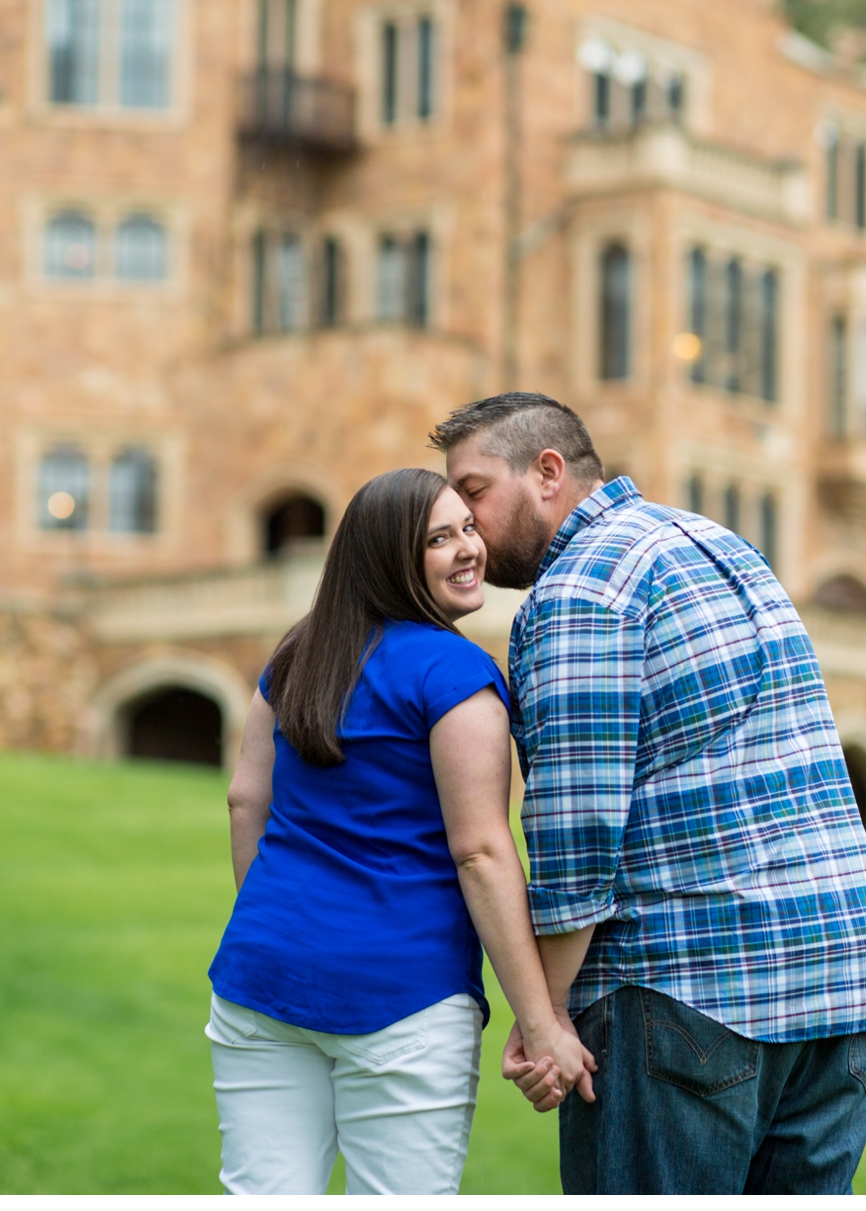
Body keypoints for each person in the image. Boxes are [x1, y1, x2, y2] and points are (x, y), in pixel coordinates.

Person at [431, 393, 866, 1195]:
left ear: (548, 472)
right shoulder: (715, 541)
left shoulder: (582, 590)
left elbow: (577, 836)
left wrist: (542, 1015)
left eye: (475, 491)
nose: (465, 519)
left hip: (683, 995)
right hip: (839, 989)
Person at [206, 467, 593, 1195]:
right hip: (402, 998)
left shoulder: (294, 657)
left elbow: (243, 800)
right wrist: (540, 1022)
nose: (468, 548)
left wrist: (278, 927)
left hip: (260, 976)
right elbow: (480, 850)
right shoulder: (455, 673)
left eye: (468, 528)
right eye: (439, 539)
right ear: (389, 559)